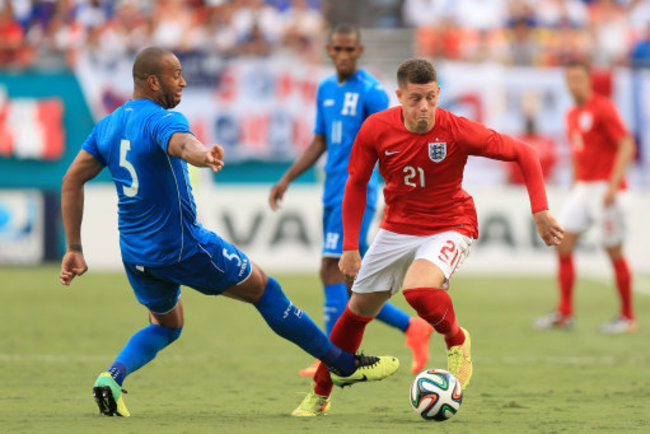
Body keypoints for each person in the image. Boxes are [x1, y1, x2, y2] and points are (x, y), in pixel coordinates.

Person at [58, 46, 400, 418]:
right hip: (182, 246)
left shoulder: (107, 125)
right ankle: (343, 364)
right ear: (153, 81)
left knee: (167, 325)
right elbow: (182, 143)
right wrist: (202, 155)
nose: (183, 81)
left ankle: (111, 377)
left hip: (137, 255)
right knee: (265, 289)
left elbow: (72, 180)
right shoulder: (159, 120)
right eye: (176, 74)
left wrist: (74, 246)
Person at [292, 58, 565, 417]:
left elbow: (524, 152)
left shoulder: (456, 129)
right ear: (399, 96)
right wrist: (349, 247)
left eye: (430, 98)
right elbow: (356, 184)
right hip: (396, 229)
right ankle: (320, 394)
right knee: (355, 312)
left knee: (418, 290)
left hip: (450, 224)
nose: (424, 108)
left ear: (438, 94)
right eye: (415, 99)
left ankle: (457, 339)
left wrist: (540, 210)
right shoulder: (376, 129)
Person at [269, 24, 432, 379]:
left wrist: (396, 192)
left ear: (359, 52)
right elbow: (319, 141)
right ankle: (411, 329)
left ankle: (331, 355)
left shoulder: (372, 92)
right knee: (349, 280)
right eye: (338, 50)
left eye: (349, 50)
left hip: (357, 192)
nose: (343, 56)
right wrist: (287, 178)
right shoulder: (326, 89)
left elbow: (392, 144)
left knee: (333, 268)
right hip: (332, 190)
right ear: (330, 50)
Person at [534, 61, 637, 334]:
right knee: (562, 242)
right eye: (569, 79)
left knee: (613, 250)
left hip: (606, 188)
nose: (573, 84)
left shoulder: (603, 107)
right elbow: (580, 153)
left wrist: (613, 186)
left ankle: (627, 317)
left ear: (589, 80)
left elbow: (626, 144)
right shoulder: (571, 114)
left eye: (578, 78)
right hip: (583, 187)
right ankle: (565, 312)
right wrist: (574, 184)